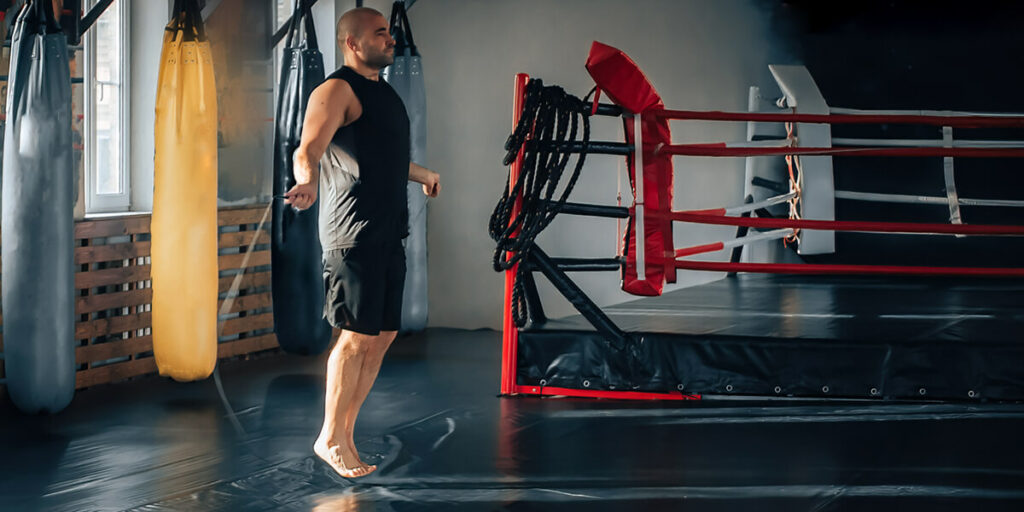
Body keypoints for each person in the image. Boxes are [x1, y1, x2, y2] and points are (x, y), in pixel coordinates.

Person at [285, 7, 441, 479]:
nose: (390, 39)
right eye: (380, 33)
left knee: (383, 335)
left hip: (388, 231)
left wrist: (422, 174)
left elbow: (381, 158)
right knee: (354, 338)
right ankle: (329, 436)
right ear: (352, 43)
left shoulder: (385, 94)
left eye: (389, 33)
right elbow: (307, 149)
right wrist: (308, 182)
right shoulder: (336, 90)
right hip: (351, 235)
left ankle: (345, 433)